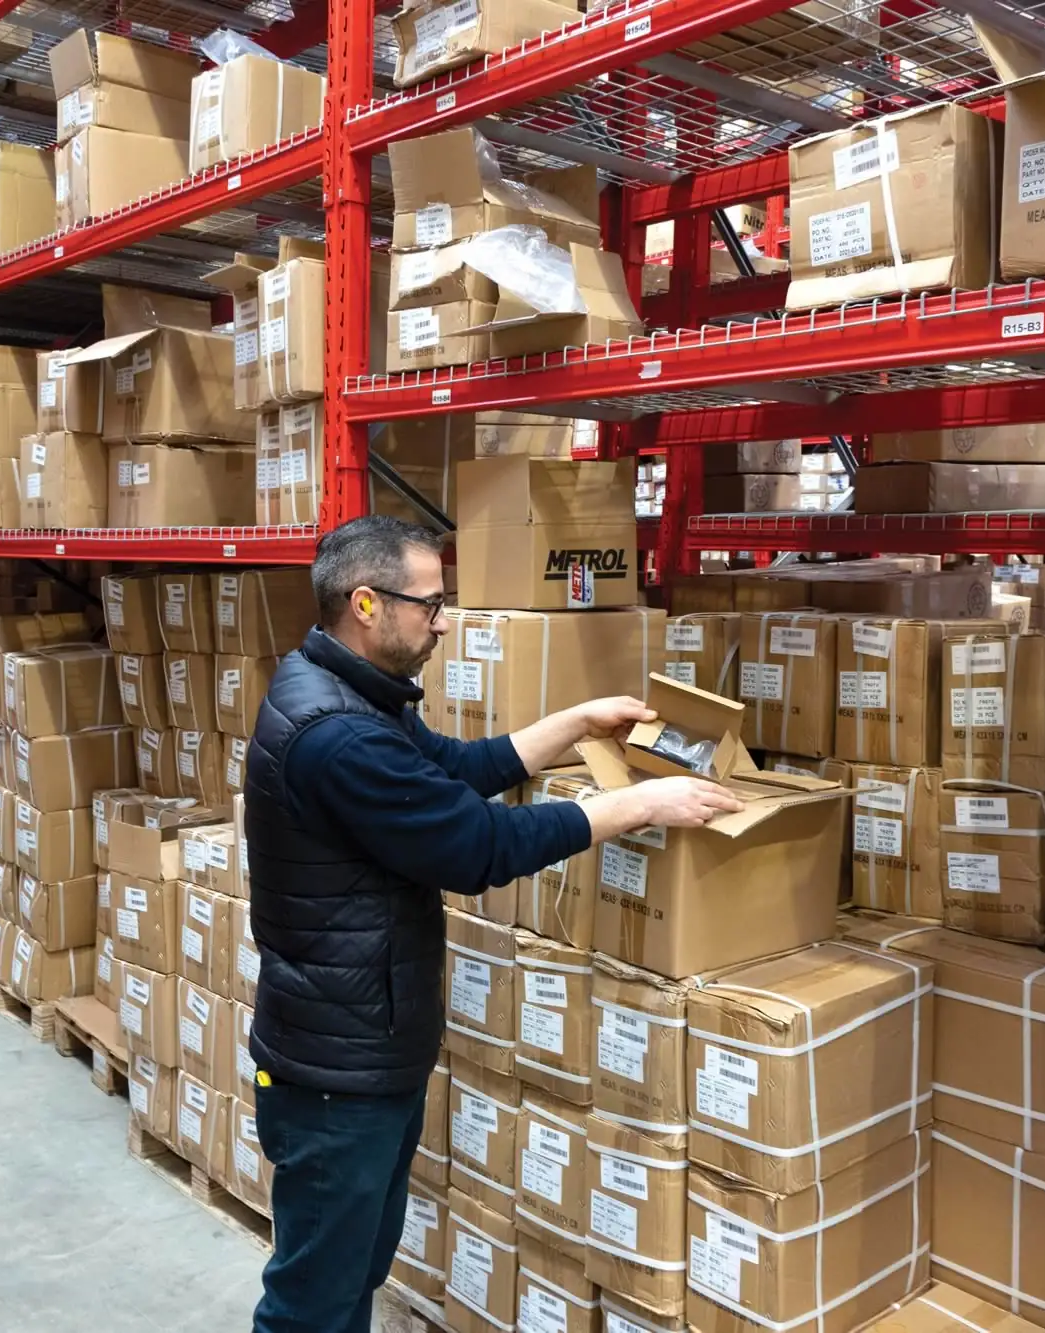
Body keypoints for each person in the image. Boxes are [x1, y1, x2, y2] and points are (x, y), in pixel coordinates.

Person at [244, 514, 744, 1332]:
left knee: (352, 1271)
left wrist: (576, 723)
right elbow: (478, 846)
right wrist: (638, 802)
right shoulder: (336, 735)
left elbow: (453, 770)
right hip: (339, 1072)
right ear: (366, 604)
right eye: (431, 603)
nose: (443, 621)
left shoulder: (346, 689)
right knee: (313, 1302)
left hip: (363, 1046)